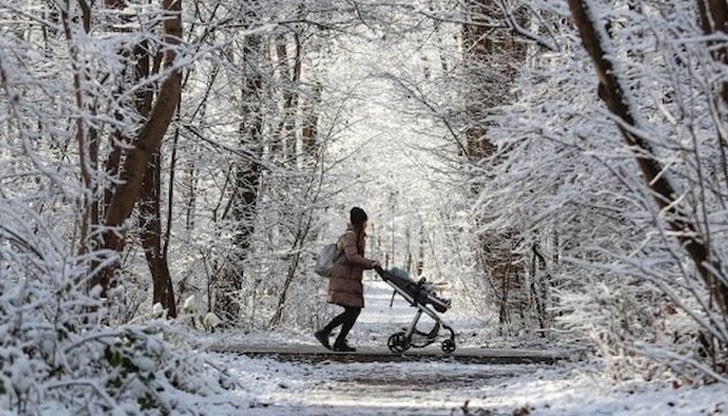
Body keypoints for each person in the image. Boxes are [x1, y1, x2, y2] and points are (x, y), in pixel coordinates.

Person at [315, 207, 380, 352]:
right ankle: (325, 333)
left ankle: (338, 341)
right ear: (360, 222)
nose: (366, 224)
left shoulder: (356, 236)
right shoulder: (349, 237)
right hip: (343, 279)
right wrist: (371, 263)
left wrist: (370, 264)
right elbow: (352, 257)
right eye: (364, 221)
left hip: (348, 279)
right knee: (353, 311)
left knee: (354, 311)